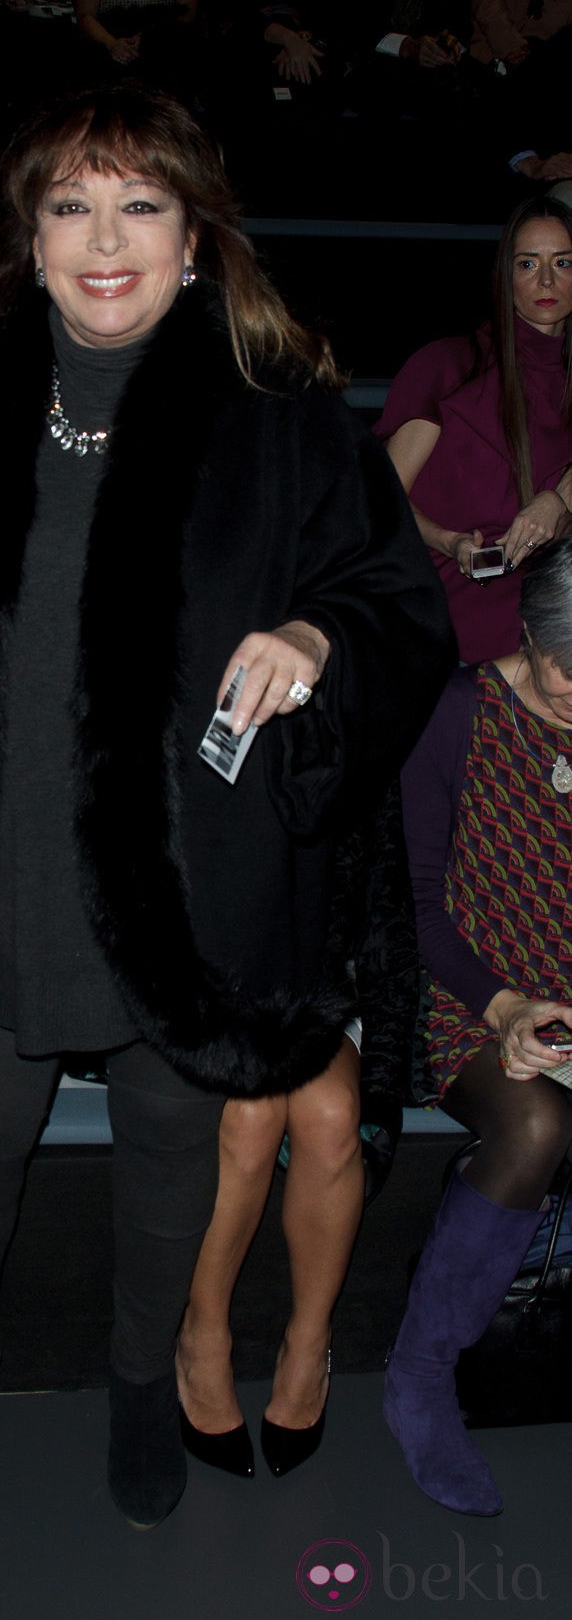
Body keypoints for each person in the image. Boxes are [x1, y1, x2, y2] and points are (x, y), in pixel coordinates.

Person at [0, 82, 454, 1530]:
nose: (106, 241)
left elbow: (400, 608)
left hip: (188, 874)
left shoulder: (283, 425)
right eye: (70, 208)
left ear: (192, 233)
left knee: (171, 1146)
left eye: (140, 206)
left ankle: (133, 1381)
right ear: (30, 240)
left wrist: (319, 638)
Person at [389, 536, 572, 1515]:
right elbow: (415, 906)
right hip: (471, 993)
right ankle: (420, 1375)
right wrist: (502, 1006)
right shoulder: (457, 710)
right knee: (536, 1124)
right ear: (527, 635)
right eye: (563, 671)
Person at [175, 783, 417, 1481]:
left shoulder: (349, 725)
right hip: (210, 986)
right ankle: (203, 1336)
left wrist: (386, 1065)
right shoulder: (200, 714)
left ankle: (310, 1342)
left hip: (325, 987)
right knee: (250, 1116)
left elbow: (388, 908)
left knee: (335, 1115)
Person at [376, 196, 572, 665]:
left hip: (541, 656)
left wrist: (557, 502)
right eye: (528, 263)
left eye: (563, 262)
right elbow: (380, 499)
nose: (546, 280)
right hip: (437, 638)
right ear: (506, 276)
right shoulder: (450, 367)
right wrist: (447, 539)